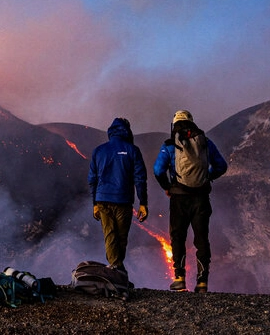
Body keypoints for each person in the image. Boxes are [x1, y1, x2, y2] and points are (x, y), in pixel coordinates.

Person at [153, 110, 228, 293]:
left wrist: (168, 187)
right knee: (201, 238)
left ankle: (179, 278)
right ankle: (202, 281)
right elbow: (222, 166)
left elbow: (158, 170)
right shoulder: (205, 142)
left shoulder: (170, 145)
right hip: (201, 198)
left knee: (178, 237)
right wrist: (207, 177)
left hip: (179, 198)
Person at [88, 118, 149, 276]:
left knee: (109, 234)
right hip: (123, 201)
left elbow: (92, 179)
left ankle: (116, 269)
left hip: (102, 200)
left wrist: (94, 203)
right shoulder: (132, 150)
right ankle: (117, 270)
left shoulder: (99, 151)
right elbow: (140, 178)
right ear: (127, 131)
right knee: (121, 237)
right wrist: (143, 203)